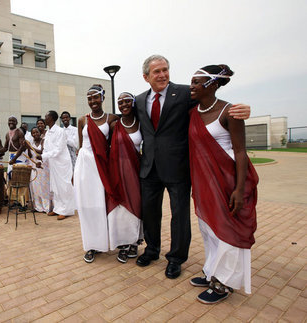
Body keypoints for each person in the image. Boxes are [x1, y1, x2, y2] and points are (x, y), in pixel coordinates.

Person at [134, 55, 251, 279]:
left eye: (165, 69)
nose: (162, 75)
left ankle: (176, 259)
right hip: (149, 168)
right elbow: (123, 121)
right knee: (150, 212)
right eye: (156, 71)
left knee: (179, 215)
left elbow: (212, 102)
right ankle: (151, 250)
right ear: (146, 77)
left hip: (178, 167)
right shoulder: (140, 101)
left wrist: (244, 109)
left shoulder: (185, 93)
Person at [188, 65, 258, 304]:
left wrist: (239, 189)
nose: (192, 86)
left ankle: (224, 283)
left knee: (226, 229)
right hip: (203, 181)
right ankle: (212, 271)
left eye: (197, 82)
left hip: (226, 180)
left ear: (213, 84)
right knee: (208, 228)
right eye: (192, 82)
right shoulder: (193, 111)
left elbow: (240, 151)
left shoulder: (230, 112)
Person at [75, 84, 119, 262]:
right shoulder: (82, 120)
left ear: (102, 98)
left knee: (100, 205)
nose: (92, 101)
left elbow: (115, 148)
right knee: (85, 206)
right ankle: (90, 245)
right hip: (84, 165)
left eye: (95, 97)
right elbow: (80, 146)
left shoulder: (112, 119)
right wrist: (74, 172)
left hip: (101, 166)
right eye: (89, 98)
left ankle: (103, 242)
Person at [106, 92, 143, 263]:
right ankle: (123, 244)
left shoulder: (142, 124)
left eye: (127, 101)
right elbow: (106, 147)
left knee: (134, 207)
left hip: (135, 173)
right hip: (116, 171)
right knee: (120, 209)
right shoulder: (114, 125)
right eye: (120, 102)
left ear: (134, 103)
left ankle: (134, 242)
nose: (124, 104)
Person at [36, 111, 76, 220]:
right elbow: (47, 149)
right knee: (55, 187)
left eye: (46, 116)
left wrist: (43, 156)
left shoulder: (60, 131)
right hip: (53, 164)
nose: (45, 118)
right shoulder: (48, 132)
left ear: (52, 118)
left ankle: (66, 210)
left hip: (62, 164)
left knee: (64, 187)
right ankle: (58, 209)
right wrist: (43, 160)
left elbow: (58, 149)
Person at [27, 127, 51, 213]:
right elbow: (30, 155)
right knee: (35, 187)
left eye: (36, 132)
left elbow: (42, 152)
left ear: (39, 132)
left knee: (44, 187)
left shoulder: (43, 141)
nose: (35, 134)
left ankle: (46, 207)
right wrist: (28, 148)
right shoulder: (32, 142)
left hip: (42, 166)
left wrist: (30, 147)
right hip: (34, 165)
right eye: (33, 133)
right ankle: (38, 207)